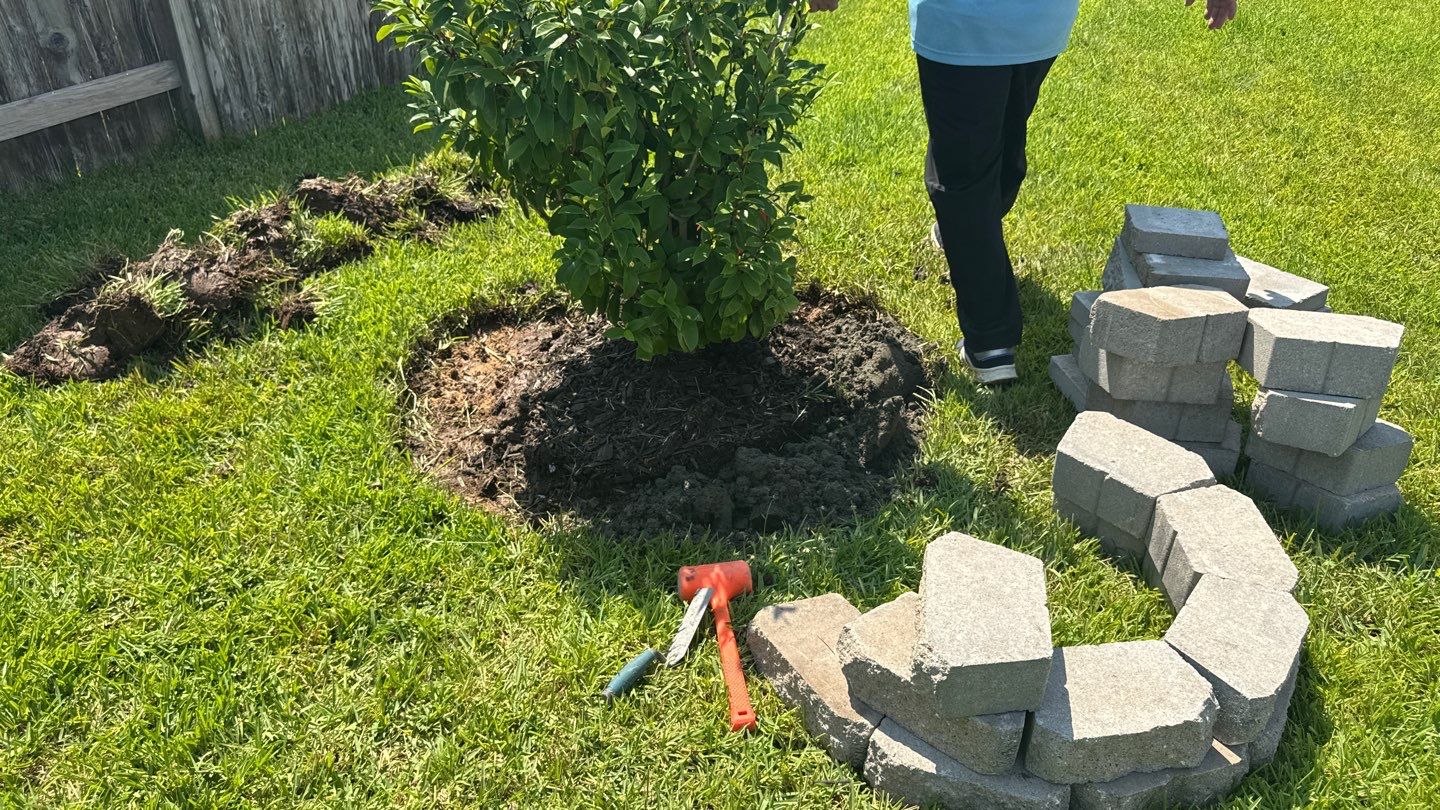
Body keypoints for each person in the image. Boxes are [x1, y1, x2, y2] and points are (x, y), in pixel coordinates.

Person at [808, 0, 1238, 384]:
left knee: (965, 182)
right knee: (994, 147)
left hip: (971, 25)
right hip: (1038, 24)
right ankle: (966, 235)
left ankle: (990, 339)